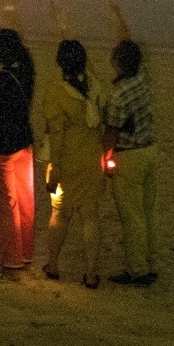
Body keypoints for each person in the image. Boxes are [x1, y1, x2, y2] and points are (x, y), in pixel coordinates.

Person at [35, 19, 106, 288]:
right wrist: (67, 30)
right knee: (90, 216)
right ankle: (90, 273)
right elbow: (89, 66)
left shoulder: (55, 93)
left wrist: (54, 167)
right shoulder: (94, 86)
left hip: (66, 160)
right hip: (91, 159)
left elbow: (57, 135)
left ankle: (53, 264)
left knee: (59, 213)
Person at [0, 5, 37, 278]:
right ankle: (25, 253)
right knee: (26, 200)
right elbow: (23, 49)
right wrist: (11, 12)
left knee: (5, 205)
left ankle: (11, 261)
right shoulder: (27, 73)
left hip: (0, 148)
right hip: (23, 143)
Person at [102, 2, 158, 286]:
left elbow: (111, 133)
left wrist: (105, 159)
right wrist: (117, 16)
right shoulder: (143, 77)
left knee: (132, 216)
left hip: (130, 156)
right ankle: (150, 262)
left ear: (118, 64)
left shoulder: (119, 94)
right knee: (148, 212)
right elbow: (127, 42)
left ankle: (138, 270)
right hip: (150, 150)